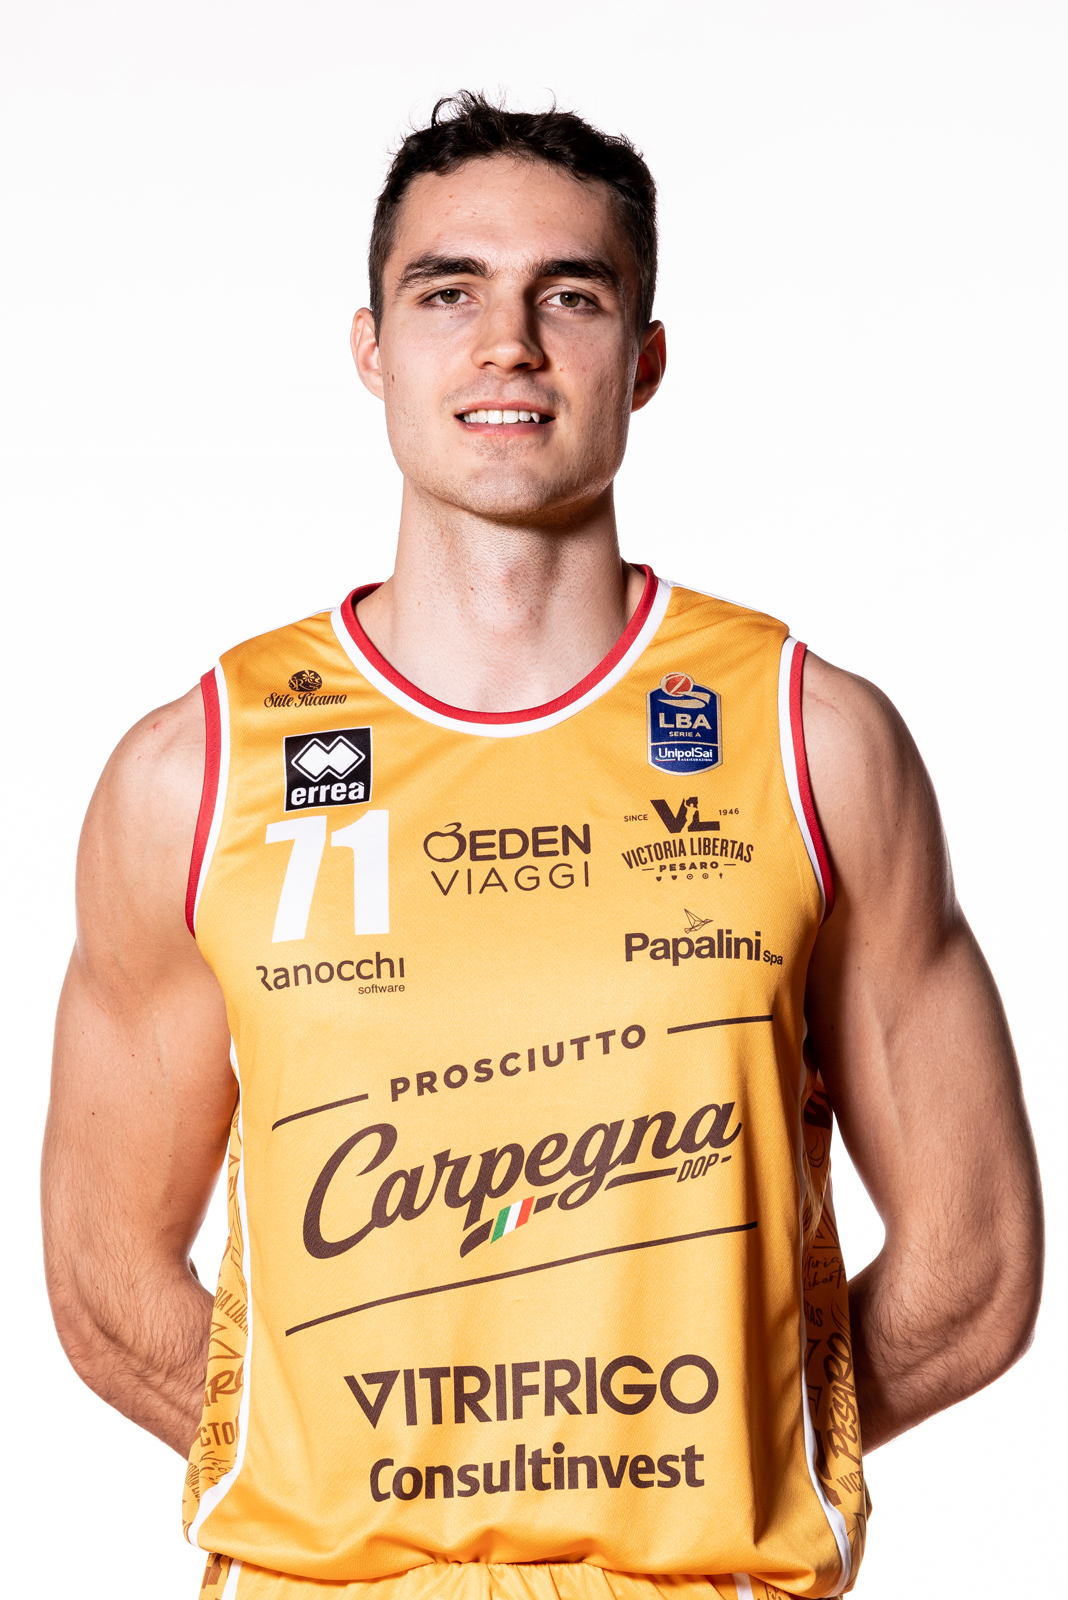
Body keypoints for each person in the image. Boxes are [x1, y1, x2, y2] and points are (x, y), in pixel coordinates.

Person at [42, 92, 1042, 1600]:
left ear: (643, 359)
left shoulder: (810, 742)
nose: (505, 343)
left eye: (567, 295)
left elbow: (976, 1269)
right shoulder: (197, 769)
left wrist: (742, 1454)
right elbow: (104, 1276)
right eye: (447, 292)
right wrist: (348, 1493)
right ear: (372, 349)